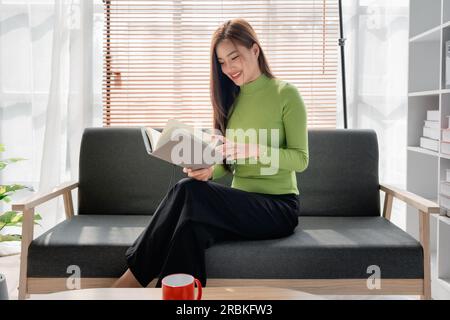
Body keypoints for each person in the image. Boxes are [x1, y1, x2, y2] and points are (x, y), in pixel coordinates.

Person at [113, 18, 309, 288]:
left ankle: (130, 281)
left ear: (255, 50)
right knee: (188, 228)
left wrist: (256, 150)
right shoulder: (230, 100)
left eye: (234, 57)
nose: (229, 68)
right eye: (222, 62)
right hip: (240, 203)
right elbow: (227, 163)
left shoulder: (286, 94)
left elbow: (301, 159)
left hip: (278, 207)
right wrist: (208, 170)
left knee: (186, 190)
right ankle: (177, 300)